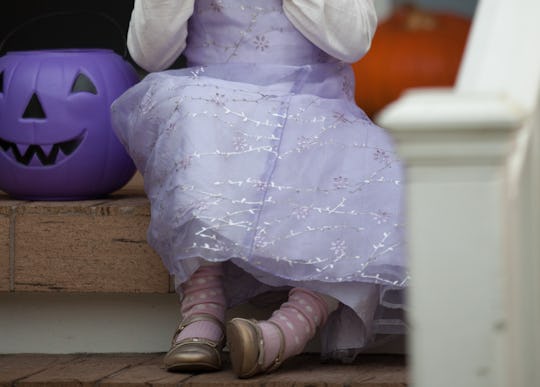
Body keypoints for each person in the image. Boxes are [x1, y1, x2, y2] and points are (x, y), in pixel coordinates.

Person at [111, 0, 408, 378]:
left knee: (375, 174)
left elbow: (352, 43)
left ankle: (286, 329)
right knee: (187, 112)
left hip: (313, 108)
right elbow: (150, 54)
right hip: (216, 106)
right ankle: (202, 309)